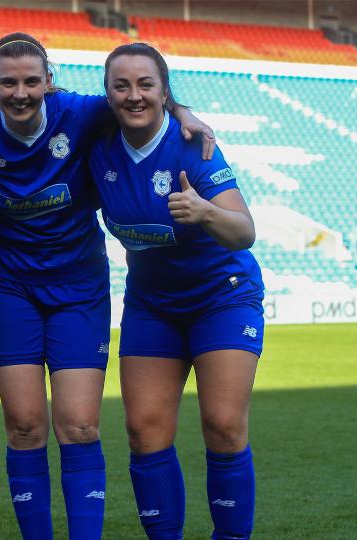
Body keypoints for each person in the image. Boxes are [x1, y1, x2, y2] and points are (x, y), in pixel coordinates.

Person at [0, 33, 215, 540]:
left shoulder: (82, 113)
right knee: (24, 426)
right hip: (10, 288)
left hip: (78, 286)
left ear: (49, 81)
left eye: (31, 81)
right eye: (8, 82)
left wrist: (185, 112)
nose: (20, 92)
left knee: (79, 426)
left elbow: (137, 98)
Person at [88, 43, 262, 540]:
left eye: (146, 84)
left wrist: (205, 211)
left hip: (221, 298)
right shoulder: (95, 144)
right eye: (121, 85)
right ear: (107, 95)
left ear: (164, 91)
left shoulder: (194, 146)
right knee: (144, 432)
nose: (134, 94)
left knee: (224, 425)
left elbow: (244, 231)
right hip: (153, 305)